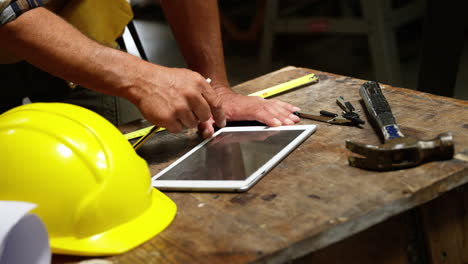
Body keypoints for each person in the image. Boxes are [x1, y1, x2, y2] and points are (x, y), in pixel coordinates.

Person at [0, 0, 301, 138]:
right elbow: (7, 11)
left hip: (81, 34)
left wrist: (217, 89)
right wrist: (141, 80)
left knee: (123, 173)